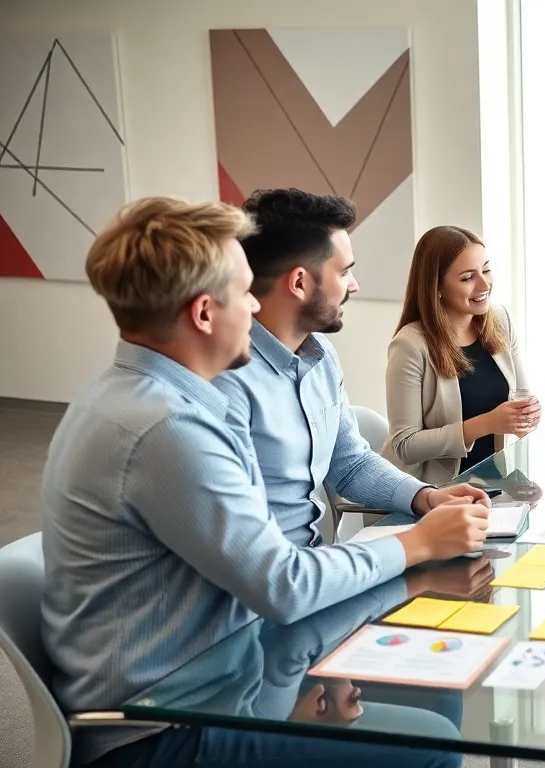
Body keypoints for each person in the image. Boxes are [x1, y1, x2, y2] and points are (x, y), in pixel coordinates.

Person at [42, 197, 486, 768]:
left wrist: (420, 509)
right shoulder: (168, 428)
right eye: (245, 291)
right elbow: (283, 584)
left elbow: (287, 553)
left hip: (231, 666)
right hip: (164, 730)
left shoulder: (140, 397)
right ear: (205, 313)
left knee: (434, 686)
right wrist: (418, 543)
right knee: (434, 749)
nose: (255, 304)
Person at [214, 189, 484, 547]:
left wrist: (427, 497)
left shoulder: (321, 356)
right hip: (277, 580)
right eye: (344, 272)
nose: (354, 285)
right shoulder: (226, 383)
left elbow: (351, 464)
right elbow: (241, 548)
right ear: (299, 283)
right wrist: (416, 545)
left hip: (321, 566)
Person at [383, 225, 538, 485]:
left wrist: (528, 414)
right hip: (429, 492)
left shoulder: (500, 320)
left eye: (486, 270)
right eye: (468, 277)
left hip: (492, 482)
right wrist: (487, 423)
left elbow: (521, 398)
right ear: (437, 287)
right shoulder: (410, 345)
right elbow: (405, 445)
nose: (485, 283)